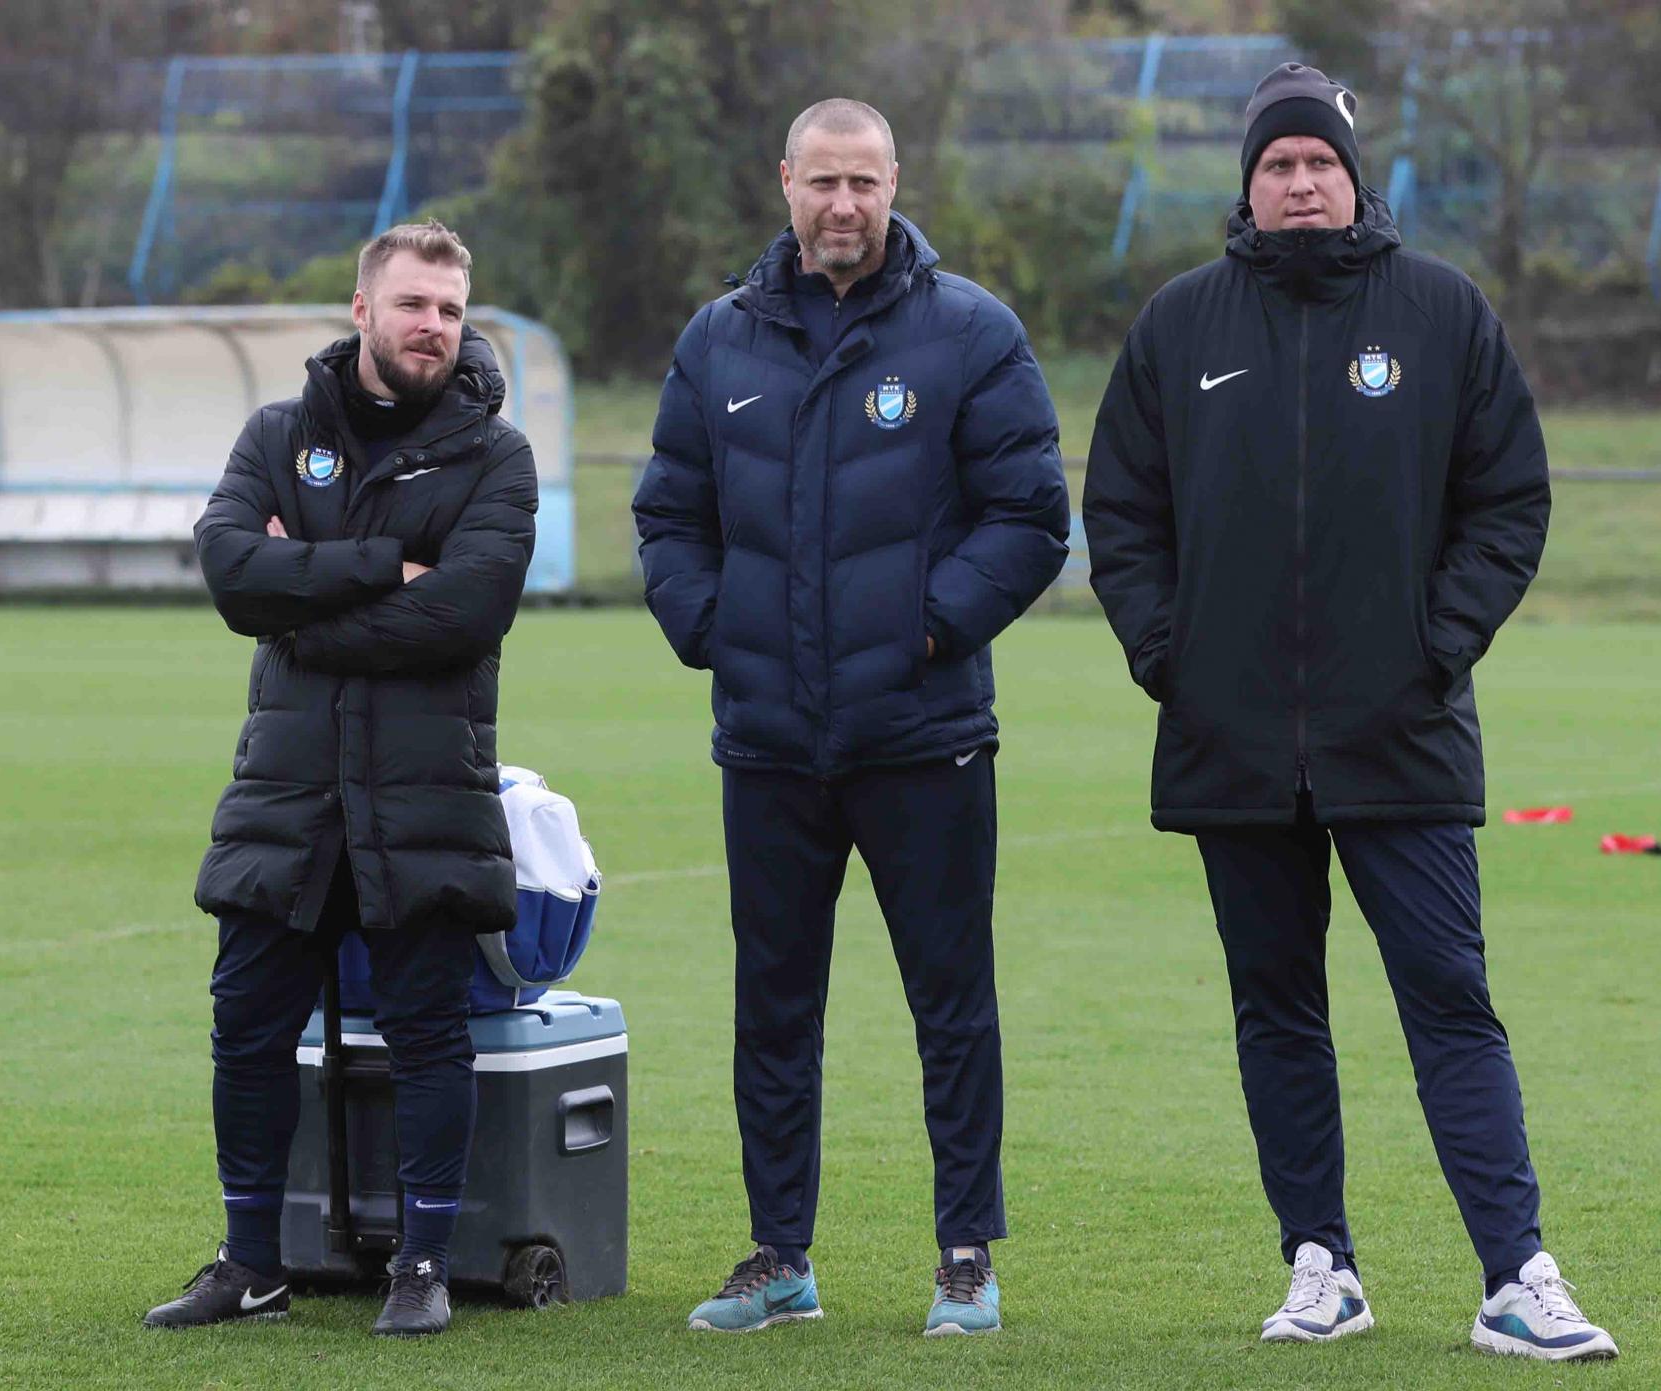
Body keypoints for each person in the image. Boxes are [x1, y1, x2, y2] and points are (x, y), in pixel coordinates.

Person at [1083, 63, 1618, 1362]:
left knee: (1450, 998)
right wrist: (1169, 656)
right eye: (1278, 164)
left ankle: (1516, 1273)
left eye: (1320, 161)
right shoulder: (1180, 325)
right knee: (1278, 1011)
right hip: (1231, 742)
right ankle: (1320, 1263)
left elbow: (1510, 499)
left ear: (1353, 176)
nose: (1301, 181)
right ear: (1249, 183)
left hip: (1402, 733)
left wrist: (1437, 646)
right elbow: (1121, 513)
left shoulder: (1441, 311)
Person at [634, 98, 1068, 1338]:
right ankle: (780, 1257)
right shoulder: (719, 338)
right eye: (822, 181)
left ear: (895, 183)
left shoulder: (970, 331)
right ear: (785, 181)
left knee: (952, 1004)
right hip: (769, 737)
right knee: (772, 1007)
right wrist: (718, 631)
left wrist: (925, 630)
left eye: (863, 182)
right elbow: (668, 515)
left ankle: (965, 1256)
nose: (843, 205)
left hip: (925, 734)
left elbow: (1032, 517)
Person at [142, 222, 538, 1338]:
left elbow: (465, 610)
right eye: (412, 304)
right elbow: (232, 569)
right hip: (288, 791)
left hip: (425, 793)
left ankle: (424, 1263)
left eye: (450, 310)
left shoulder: (496, 456)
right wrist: (379, 567)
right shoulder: (279, 434)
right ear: (361, 309)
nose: (433, 327)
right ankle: (252, 1263)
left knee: (428, 1032)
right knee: (245, 1025)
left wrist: (303, 612)